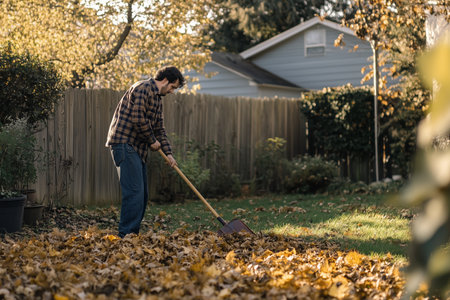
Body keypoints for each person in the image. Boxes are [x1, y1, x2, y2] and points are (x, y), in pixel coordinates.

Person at [105, 66, 185, 238]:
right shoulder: (142, 88)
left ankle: (132, 234)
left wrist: (168, 153)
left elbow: (159, 129)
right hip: (124, 144)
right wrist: (152, 140)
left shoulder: (157, 99)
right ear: (165, 80)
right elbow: (138, 118)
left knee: (142, 195)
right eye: (172, 87)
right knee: (134, 193)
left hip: (137, 149)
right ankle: (126, 236)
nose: (171, 91)